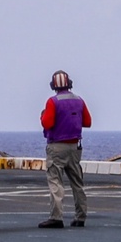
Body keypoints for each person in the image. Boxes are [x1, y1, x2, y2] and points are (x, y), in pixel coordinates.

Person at [39, 70, 92, 229]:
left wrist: (42, 116)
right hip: (75, 147)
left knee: (55, 181)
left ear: (53, 85)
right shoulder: (79, 100)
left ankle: (56, 217)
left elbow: (47, 123)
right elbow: (87, 122)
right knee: (77, 182)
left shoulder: (52, 102)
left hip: (57, 147)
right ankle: (81, 216)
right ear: (69, 83)